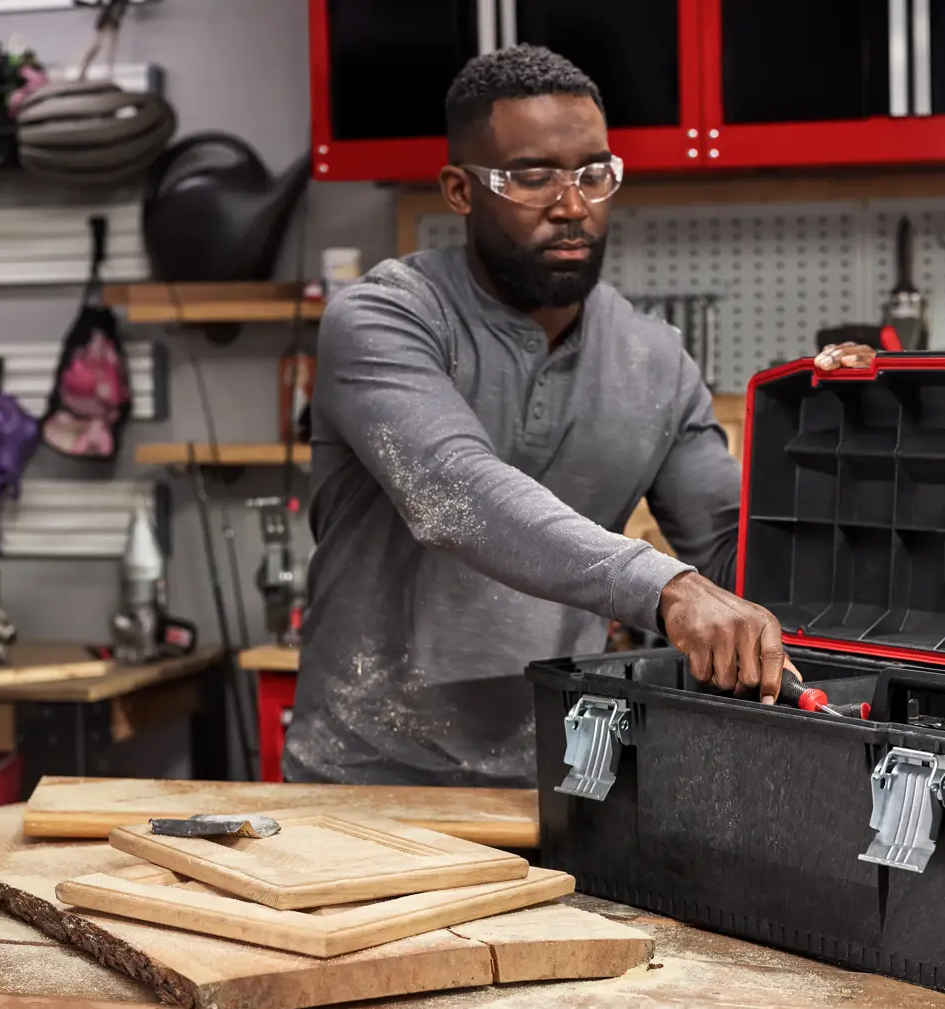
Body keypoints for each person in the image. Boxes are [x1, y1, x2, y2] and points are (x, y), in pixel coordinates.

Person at [285, 45, 872, 787]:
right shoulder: (385, 317)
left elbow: (733, 560)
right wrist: (666, 587)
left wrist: (841, 448)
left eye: (595, 173)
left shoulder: (655, 359)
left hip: (559, 777)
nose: (572, 205)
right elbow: (451, 492)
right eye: (532, 176)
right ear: (459, 191)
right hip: (366, 780)